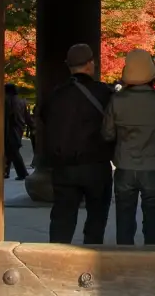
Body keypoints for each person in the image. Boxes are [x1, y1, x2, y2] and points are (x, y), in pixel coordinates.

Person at [102, 49, 155, 245]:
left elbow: (107, 134)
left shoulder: (116, 100)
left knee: (124, 221)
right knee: (153, 223)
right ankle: (152, 262)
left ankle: (125, 262)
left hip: (125, 166)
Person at [38, 44, 114, 245]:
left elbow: (43, 117)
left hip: (64, 166)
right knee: (96, 217)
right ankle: (91, 256)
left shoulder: (55, 95)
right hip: (96, 164)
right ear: (91, 64)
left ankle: (57, 258)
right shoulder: (104, 93)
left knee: (62, 217)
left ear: (69, 66)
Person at [4, 83, 33, 180]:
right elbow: (27, 116)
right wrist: (32, 126)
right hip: (19, 128)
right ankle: (6, 171)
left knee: (12, 151)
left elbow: (7, 116)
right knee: (10, 151)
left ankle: (22, 173)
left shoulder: (7, 100)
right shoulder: (22, 101)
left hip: (10, 128)